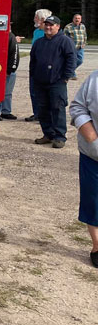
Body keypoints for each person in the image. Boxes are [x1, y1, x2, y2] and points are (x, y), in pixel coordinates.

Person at [29, 15, 76, 148]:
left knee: (57, 108)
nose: (48, 27)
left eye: (51, 25)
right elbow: (33, 60)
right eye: (47, 24)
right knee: (42, 109)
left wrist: (66, 77)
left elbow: (71, 60)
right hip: (40, 82)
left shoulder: (65, 41)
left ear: (58, 26)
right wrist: (33, 76)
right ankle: (48, 134)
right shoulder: (39, 42)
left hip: (57, 82)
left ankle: (60, 137)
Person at [69, 70, 98, 268]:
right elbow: (78, 108)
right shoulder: (94, 79)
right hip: (94, 154)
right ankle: (97, 246)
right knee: (93, 201)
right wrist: (93, 140)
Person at [25, 8, 52, 122]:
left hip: (44, 67)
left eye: (36, 17)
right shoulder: (36, 32)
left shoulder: (48, 33)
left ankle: (44, 114)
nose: (34, 19)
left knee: (44, 92)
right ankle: (36, 113)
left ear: (42, 19)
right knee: (33, 91)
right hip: (35, 65)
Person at [0, 28, 21, 121]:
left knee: (7, 92)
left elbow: (15, 55)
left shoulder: (10, 37)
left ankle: (5, 111)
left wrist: (10, 70)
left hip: (7, 70)